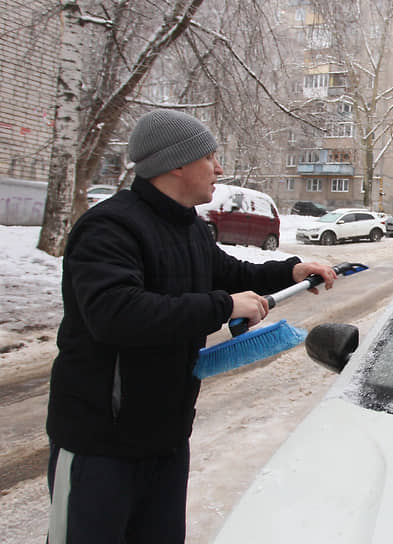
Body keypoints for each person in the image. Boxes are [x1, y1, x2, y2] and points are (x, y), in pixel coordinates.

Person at [45, 109, 338, 543]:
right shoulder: (110, 227)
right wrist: (223, 306)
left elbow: (232, 274)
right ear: (176, 163)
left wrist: (291, 271)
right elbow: (115, 314)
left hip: (166, 437)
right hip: (98, 444)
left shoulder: (192, 229)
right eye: (210, 158)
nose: (219, 169)